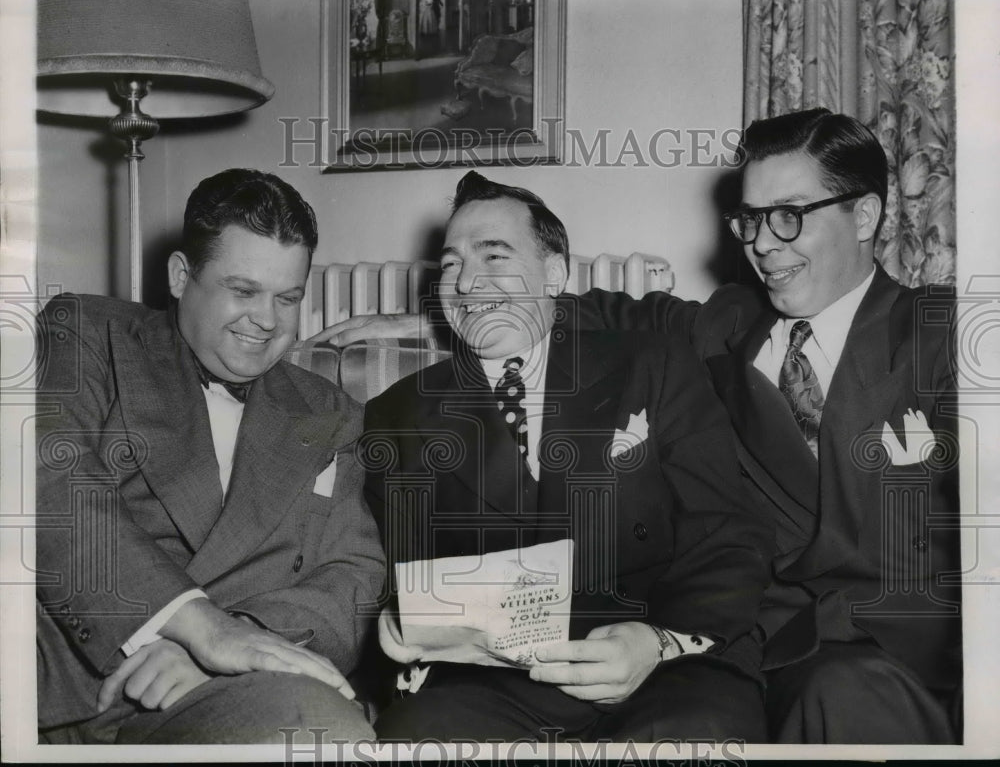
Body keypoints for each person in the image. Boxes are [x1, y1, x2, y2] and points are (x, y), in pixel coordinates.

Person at [312, 109, 961, 744]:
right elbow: (578, 308)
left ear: (866, 214)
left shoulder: (940, 335)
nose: (762, 242)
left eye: (788, 216)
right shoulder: (729, 326)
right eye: (750, 220)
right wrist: (432, 316)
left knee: (844, 693)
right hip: (777, 643)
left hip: (903, 644)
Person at [361, 171, 774, 742]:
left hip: (670, 660)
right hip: (495, 682)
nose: (468, 281)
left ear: (554, 273)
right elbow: (388, 574)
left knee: (696, 735)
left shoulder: (652, 363)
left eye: (494, 256)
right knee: (418, 736)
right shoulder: (397, 413)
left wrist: (656, 643)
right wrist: (394, 624)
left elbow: (726, 532)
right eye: (452, 264)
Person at [35, 168, 384, 744]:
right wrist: (202, 628)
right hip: (67, 688)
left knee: (324, 740)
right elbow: (49, 481)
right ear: (180, 276)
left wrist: (238, 642)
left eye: (288, 297)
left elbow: (355, 576)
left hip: (223, 692)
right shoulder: (88, 334)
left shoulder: (329, 410)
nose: (267, 320)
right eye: (243, 291)